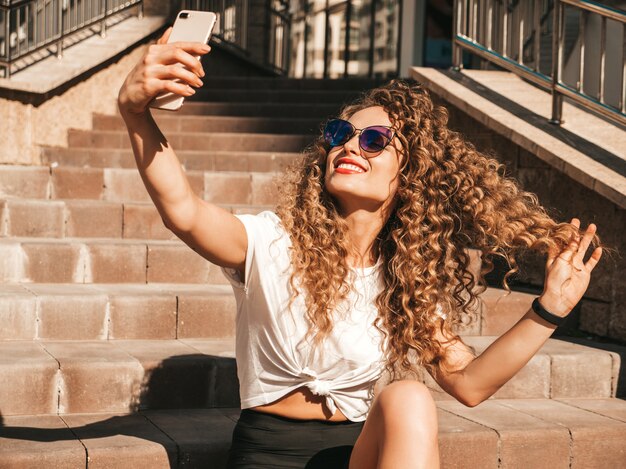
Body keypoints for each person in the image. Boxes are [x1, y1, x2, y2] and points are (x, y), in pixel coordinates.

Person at [118, 27, 603, 469]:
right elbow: (183, 210)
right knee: (409, 395)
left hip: (357, 455)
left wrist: (550, 308)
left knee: (409, 397)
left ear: (407, 175)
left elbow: (470, 385)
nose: (349, 147)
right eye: (339, 135)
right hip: (270, 454)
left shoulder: (403, 280)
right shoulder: (269, 241)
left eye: (373, 140)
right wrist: (135, 112)